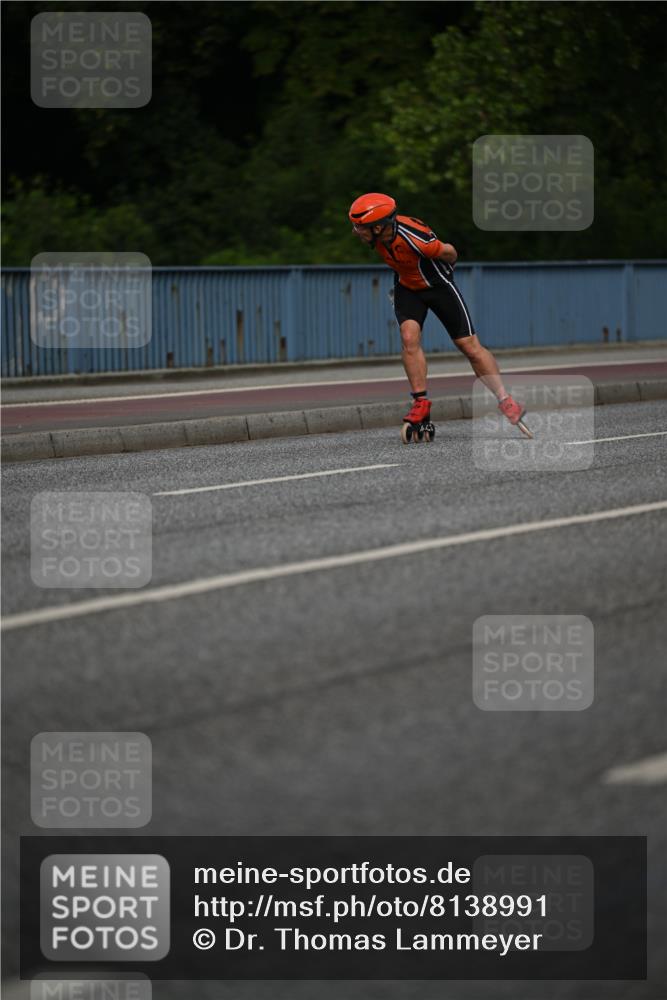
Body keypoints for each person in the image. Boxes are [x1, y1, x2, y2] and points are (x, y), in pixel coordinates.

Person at [348, 192, 526, 431]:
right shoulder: (376, 233)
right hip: (407, 287)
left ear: (379, 227)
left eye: (361, 228)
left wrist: (448, 272)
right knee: (409, 337)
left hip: (438, 287)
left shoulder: (418, 240)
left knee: (470, 347)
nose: (356, 232)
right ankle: (420, 402)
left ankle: (505, 400)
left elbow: (450, 252)